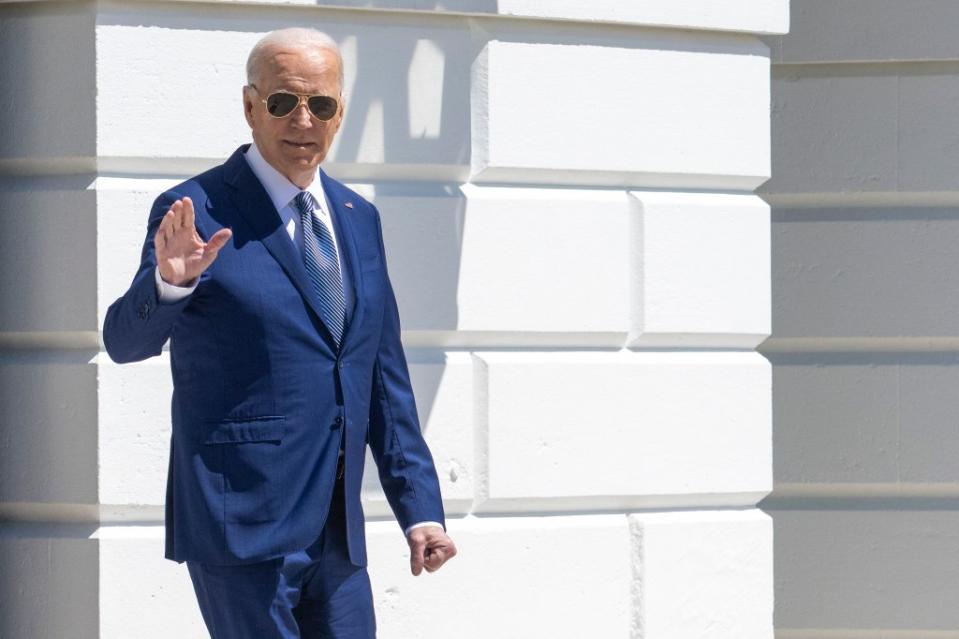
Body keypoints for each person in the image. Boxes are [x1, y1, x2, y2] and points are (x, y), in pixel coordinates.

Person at [102, 27, 456, 638]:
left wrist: (419, 508)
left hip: (337, 532)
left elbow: (381, 377)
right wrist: (168, 283)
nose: (303, 119)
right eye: (282, 101)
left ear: (339, 113)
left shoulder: (358, 217)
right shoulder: (194, 210)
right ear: (249, 106)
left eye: (320, 104)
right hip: (240, 522)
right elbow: (124, 343)